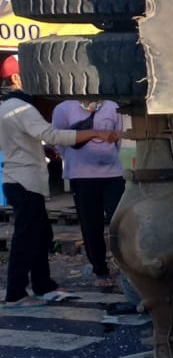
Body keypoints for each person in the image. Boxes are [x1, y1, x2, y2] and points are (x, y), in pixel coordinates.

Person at [0, 57, 121, 307]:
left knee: (42, 234)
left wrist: (40, 151)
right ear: (16, 78)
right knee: (27, 238)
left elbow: (20, 140)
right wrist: (96, 132)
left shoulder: (5, 107)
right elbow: (51, 134)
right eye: (31, 75)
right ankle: (16, 293)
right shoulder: (20, 107)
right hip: (26, 181)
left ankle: (44, 285)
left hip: (19, 179)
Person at [50, 98, 125, 289]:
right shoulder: (64, 108)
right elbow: (58, 139)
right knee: (91, 226)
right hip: (81, 176)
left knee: (121, 223)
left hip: (113, 174)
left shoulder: (112, 106)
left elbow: (118, 139)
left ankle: (127, 267)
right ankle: (100, 270)